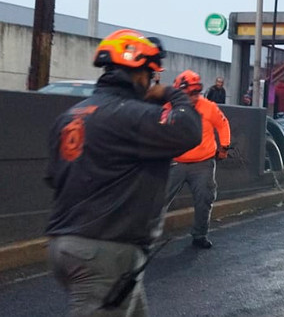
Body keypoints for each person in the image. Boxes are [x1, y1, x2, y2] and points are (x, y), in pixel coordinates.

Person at [45, 29, 202, 315]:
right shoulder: (130, 115)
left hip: (65, 244)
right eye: (152, 76)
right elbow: (189, 130)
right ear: (139, 74)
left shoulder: (70, 116)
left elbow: (54, 177)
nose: (153, 82)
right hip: (104, 251)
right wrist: (171, 93)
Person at [164, 70, 231, 249]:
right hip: (175, 162)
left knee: (204, 200)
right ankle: (145, 237)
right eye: (189, 93)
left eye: (196, 92)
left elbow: (222, 124)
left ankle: (199, 235)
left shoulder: (208, 107)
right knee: (158, 200)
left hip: (203, 163)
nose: (194, 97)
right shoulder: (168, 107)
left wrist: (224, 147)